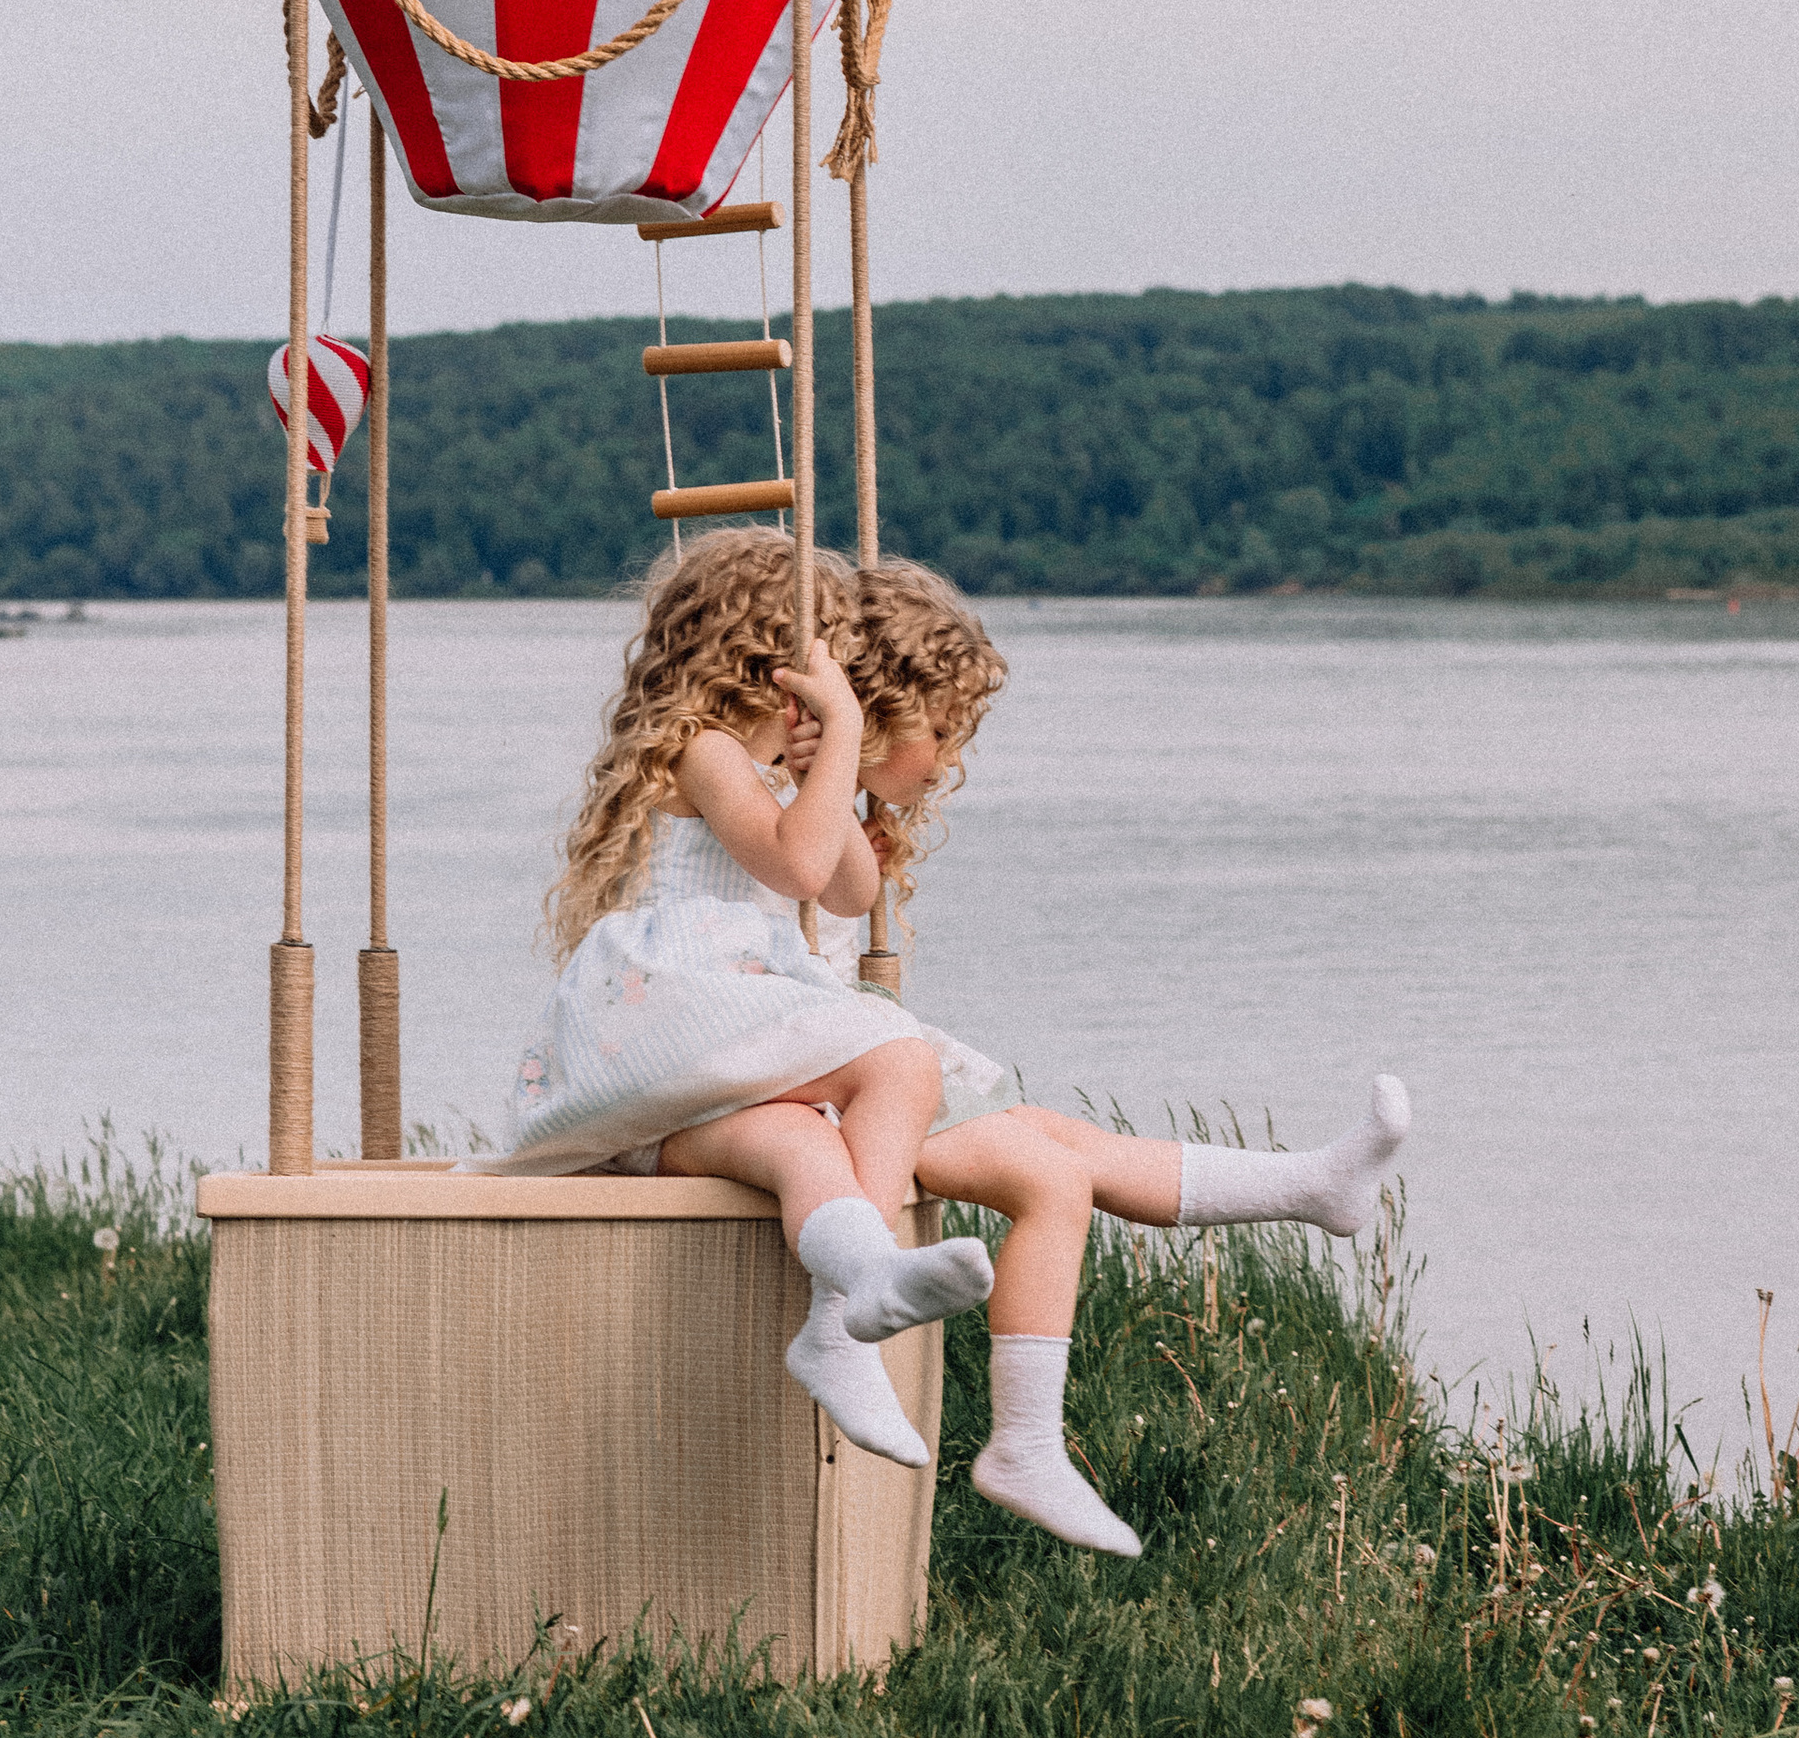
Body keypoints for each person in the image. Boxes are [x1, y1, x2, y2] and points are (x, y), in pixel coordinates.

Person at [510, 532, 1409, 1558]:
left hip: (766, 1058)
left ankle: (1302, 1191)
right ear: (771, 667)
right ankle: (902, 1329)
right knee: (996, 1132)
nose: (950, 760)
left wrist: (828, 765)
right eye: (941, 731)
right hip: (698, 1045)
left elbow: (845, 884)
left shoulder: (775, 777)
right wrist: (842, 732)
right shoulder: (712, 754)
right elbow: (808, 877)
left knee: (1058, 1151)